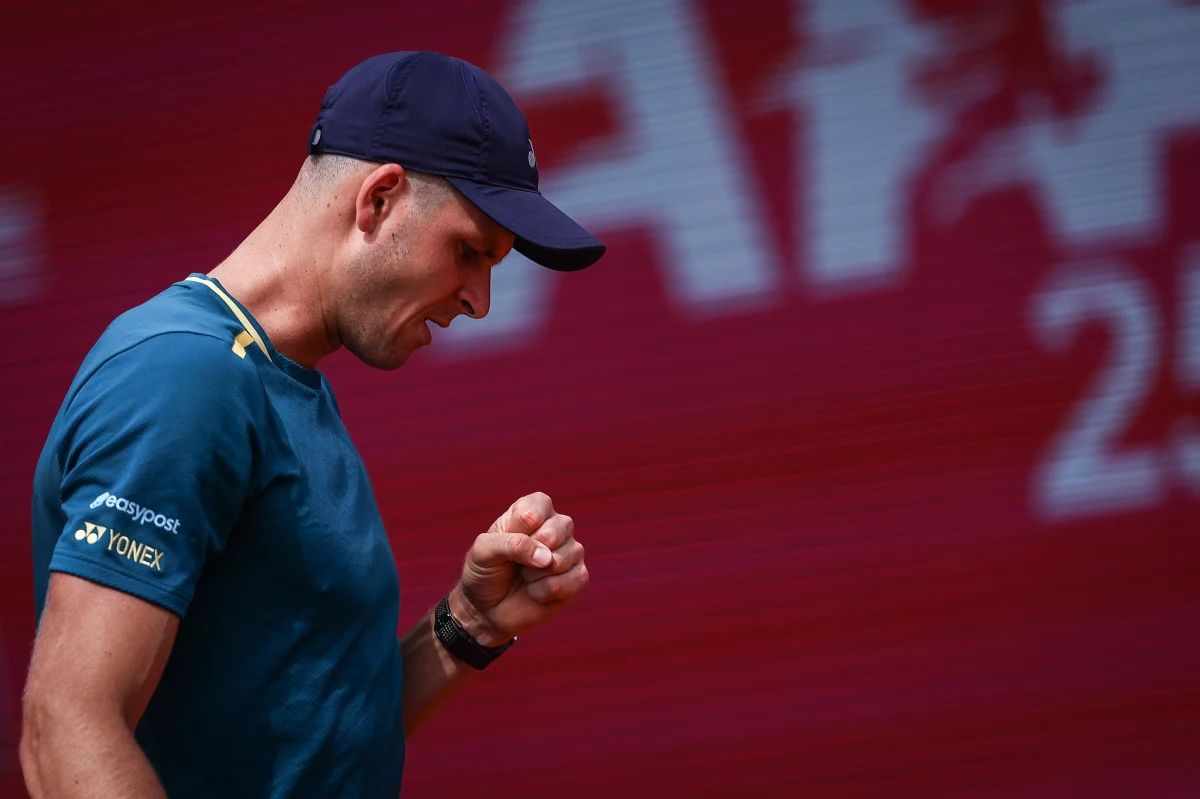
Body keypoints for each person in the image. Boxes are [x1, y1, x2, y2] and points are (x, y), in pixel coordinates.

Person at [20, 51, 604, 798]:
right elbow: (66, 725)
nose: (480, 301)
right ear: (380, 199)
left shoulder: (282, 385)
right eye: (468, 252)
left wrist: (468, 624)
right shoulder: (184, 378)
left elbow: (315, 744)